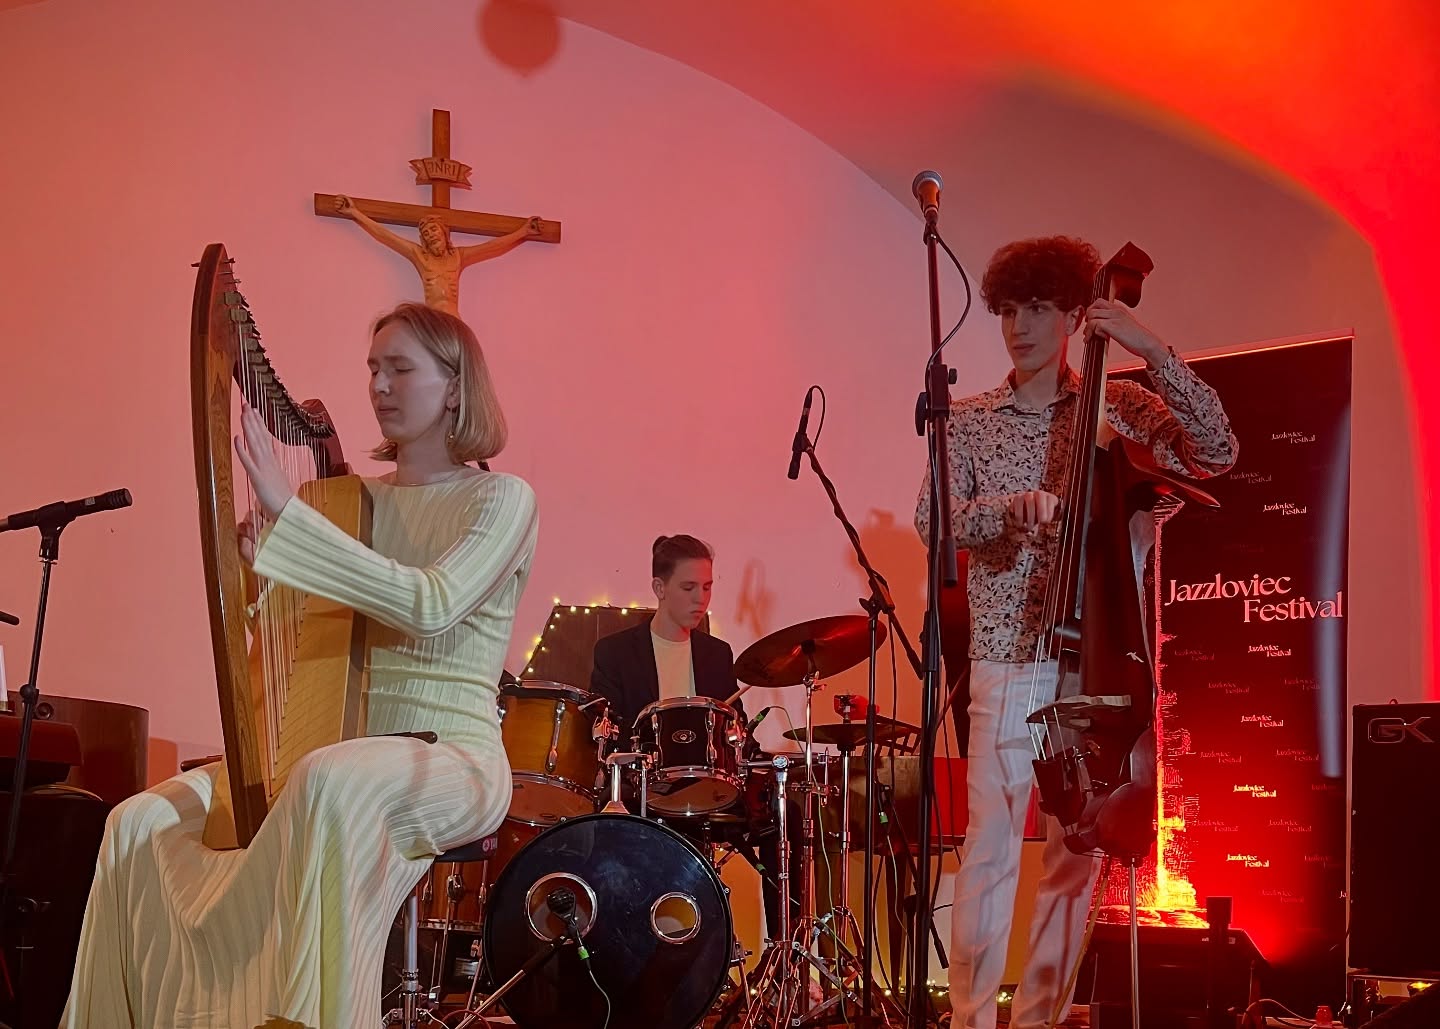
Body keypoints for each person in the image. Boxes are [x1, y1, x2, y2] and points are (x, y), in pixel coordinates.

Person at [62, 302, 539, 1029]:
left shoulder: (502, 499)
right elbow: (295, 644)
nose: (380, 385)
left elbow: (430, 604)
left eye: (400, 368)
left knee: (327, 781)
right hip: (336, 749)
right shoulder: (340, 504)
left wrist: (293, 520)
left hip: (451, 754)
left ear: (454, 385)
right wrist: (259, 572)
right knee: (134, 822)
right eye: (373, 369)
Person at [915, 236, 1237, 1029]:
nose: (1019, 327)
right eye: (1007, 311)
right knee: (989, 850)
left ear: (1071, 316)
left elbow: (1218, 451)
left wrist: (1150, 349)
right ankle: (970, 1020)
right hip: (1005, 655)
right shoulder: (970, 419)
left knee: (1075, 856)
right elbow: (933, 520)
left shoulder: (1115, 405)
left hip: (1096, 657)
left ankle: (1038, 1019)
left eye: (1037, 310)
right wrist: (1006, 511)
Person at [590, 535, 802, 939]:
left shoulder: (716, 653)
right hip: (644, 791)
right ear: (659, 588)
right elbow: (607, 734)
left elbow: (734, 728)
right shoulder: (615, 652)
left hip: (713, 789)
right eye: (688, 587)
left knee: (785, 812)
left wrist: (753, 753)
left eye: (707, 587)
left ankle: (785, 949)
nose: (700, 599)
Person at [334, 194, 544, 316]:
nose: (431, 236)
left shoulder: (459, 257)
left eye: (434, 230)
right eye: (426, 234)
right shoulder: (420, 256)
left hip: (454, 321)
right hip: (433, 323)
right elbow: (386, 235)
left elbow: (492, 246)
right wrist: (355, 213)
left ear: (444, 233)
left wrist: (523, 232)